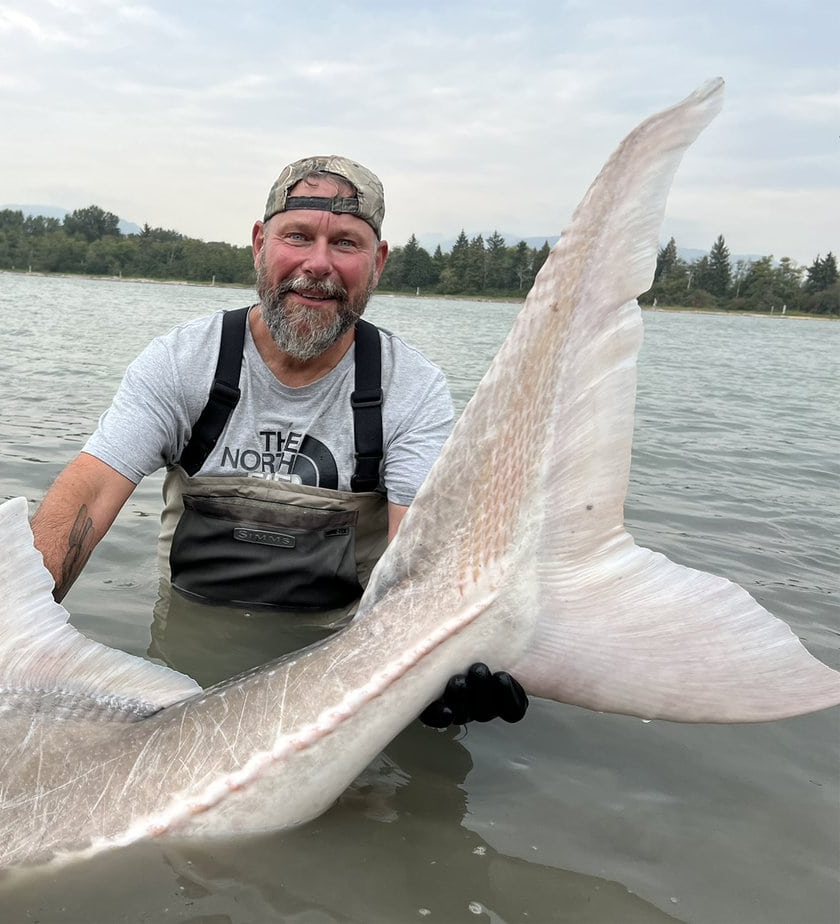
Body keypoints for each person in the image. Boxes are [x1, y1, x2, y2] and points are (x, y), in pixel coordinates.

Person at [30, 155, 526, 727]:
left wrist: (435, 662)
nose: (319, 264)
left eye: (346, 243)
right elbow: (89, 492)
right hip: (185, 664)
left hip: (338, 666)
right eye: (298, 236)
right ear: (260, 243)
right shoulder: (182, 363)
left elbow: (422, 551)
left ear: (378, 261)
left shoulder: (410, 388)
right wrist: (13, 629)